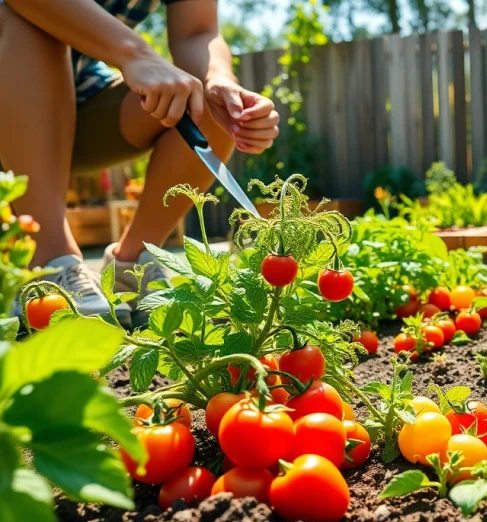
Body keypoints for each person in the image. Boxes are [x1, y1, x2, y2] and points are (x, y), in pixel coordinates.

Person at [0, 0, 279, 327]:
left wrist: (219, 80)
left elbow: (197, 32)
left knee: (205, 101)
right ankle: (48, 263)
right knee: (25, 18)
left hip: (78, 97)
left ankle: (131, 267)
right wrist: (136, 55)